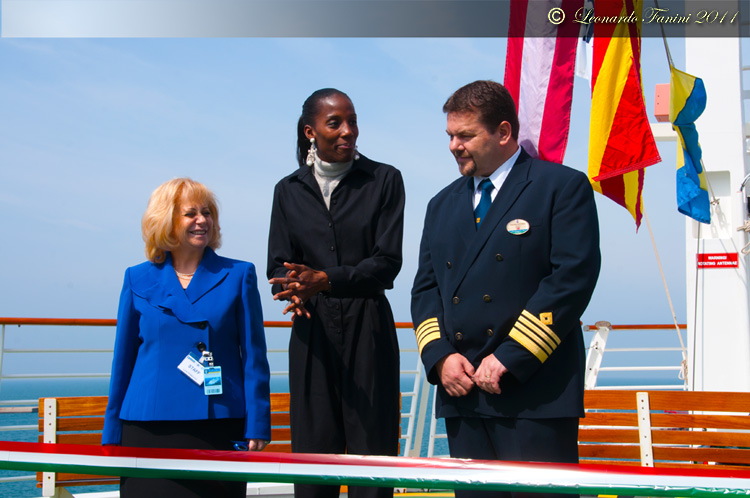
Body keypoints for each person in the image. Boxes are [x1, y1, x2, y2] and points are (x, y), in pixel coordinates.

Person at [411, 80, 600, 498]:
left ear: (502, 132)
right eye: (450, 136)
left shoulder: (560, 188)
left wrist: (511, 356)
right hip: (463, 393)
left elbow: (572, 278)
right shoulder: (440, 205)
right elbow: (425, 290)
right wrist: (440, 358)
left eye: (465, 135)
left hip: (535, 393)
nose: (454, 146)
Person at [267, 88, 405, 498]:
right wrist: (294, 287)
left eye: (353, 121)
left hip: (369, 331)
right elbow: (278, 264)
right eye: (335, 123)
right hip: (312, 332)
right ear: (310, 132)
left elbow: (387, 264)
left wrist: (325, 279)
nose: (348, 131)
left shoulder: (384, 180)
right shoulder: (287, 190)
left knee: (373, 461)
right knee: (313, 462)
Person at [102, 177, 271, 498]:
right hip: (147, 424)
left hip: (217, 421)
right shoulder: (136, 277)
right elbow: (122, 360)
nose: (202, 220)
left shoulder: (239, 274)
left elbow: (254, 357)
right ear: (166, 220)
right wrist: (111, 431)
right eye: (190, 213)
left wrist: (258, 424)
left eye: (207, 213)